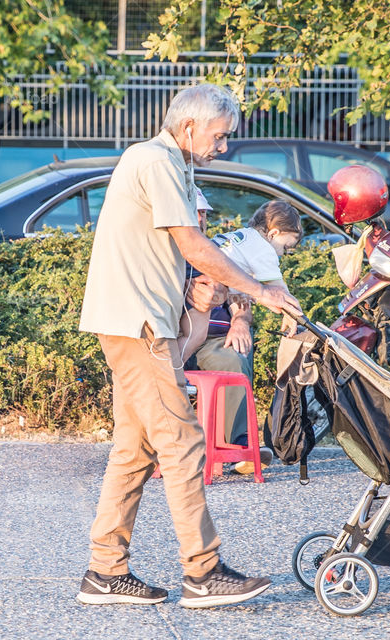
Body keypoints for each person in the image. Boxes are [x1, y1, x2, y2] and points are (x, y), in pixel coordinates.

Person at [76, 83, 302, 609]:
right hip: (138, 326)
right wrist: (260, 290)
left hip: (139, 322)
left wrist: (193, 305)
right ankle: (203, 573)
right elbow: (193, 245)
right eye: (221, 137)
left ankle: (105, 572)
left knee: (135, 453)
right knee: (183, 444)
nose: (224, 148)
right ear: (191, 126)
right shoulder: (155, 160)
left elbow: (177, 253)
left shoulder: (169, 163)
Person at [196, 199, 303, 472]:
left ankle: (235, 442)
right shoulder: (261, 248)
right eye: (286, 247)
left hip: (213, 331)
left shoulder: (232, 243)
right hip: (190, 327)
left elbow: (240, 289)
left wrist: (240, 319)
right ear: (274, 234)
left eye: (203, 215)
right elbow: (280, 293)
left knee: (236, 351)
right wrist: (295, 318)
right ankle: (229, 446)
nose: (284, 254)